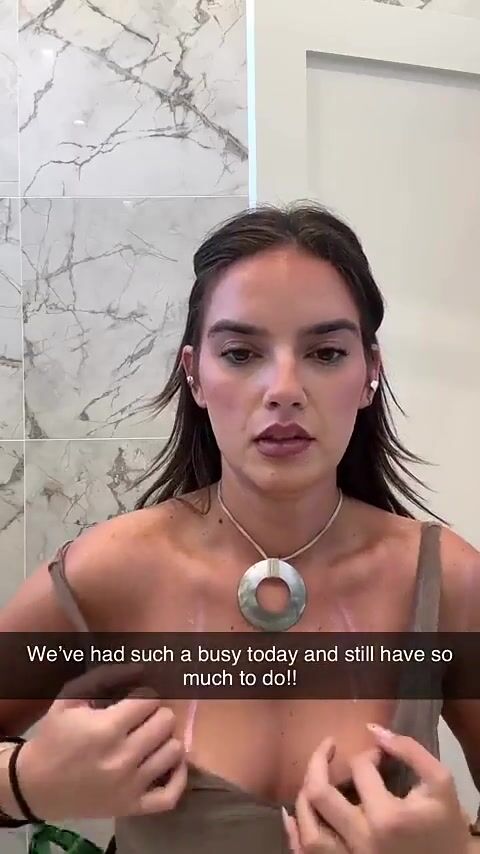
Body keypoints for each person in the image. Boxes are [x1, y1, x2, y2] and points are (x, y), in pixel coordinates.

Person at [0, 202, 479, 853]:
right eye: (241, 353)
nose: (284, 388)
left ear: (371, 373)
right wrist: (25, 783)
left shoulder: (448, 584)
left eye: (326, 352)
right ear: (194, 374)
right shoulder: (111, 572)